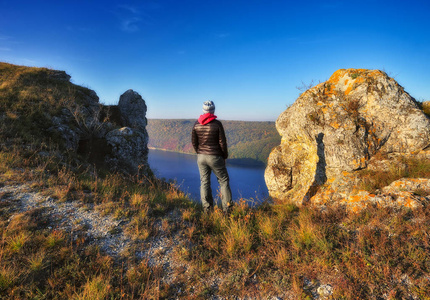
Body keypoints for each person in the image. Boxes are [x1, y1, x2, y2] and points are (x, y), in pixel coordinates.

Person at [191, 100, 233, 213]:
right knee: (223, 181)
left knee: (204, 182)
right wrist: (224, 156)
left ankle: (207, 210)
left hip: (201, 157)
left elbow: (194, 142)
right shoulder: (217, 124)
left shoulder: (196, 124)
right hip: (215, 156)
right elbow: (222, 143)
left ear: (203, 110)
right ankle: (227, 210)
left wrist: (199, 152)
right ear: (213, 110)